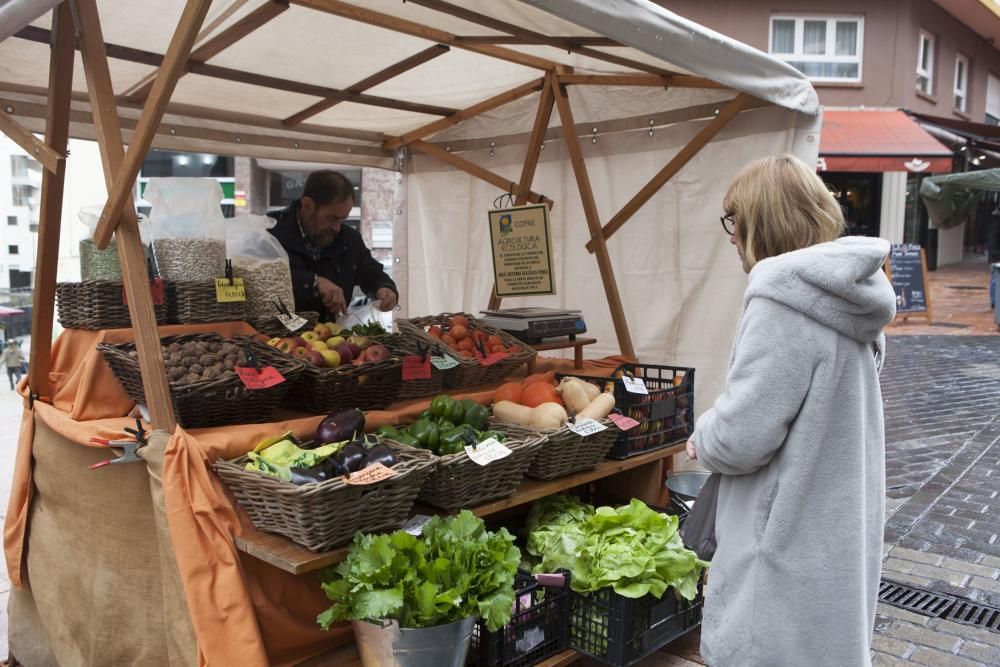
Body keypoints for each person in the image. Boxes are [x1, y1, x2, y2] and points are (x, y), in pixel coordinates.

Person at [686, 155, 896, 666]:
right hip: (832, 529)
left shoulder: (782, 299)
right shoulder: (851, 296)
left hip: (781, 537)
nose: (731, 236)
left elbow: (743, 436)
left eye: (734, 221)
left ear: (761, 222)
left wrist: (704, 435)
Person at [268, 170, 398, 319]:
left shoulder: (350, 240)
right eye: (331, 218)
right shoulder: (270, 232)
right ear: (307, 205)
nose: (337, 228)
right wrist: (312, 281)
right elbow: (255, 280)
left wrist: (384, 288)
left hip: (331, 337)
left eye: (342, 219)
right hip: (276, 337)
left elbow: (371, 273)